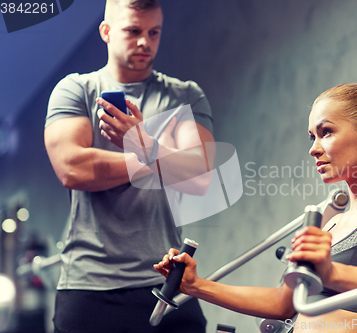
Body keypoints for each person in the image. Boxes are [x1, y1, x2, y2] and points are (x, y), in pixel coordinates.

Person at [154, 83, 357, 333]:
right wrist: (195, 286)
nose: (313, 148)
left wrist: (329, 273)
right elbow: (283, 304)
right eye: (311, 136)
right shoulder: (332, 225)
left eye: (326, 132)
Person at [44, 0, 213, 332]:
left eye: (154, 32)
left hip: (167, 278)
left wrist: (141, 142)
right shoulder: (76, 90)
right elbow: (73, 169)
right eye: (133, 31)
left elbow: (200, 178)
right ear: (106, 32)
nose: (144, 42)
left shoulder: (185, 96)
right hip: (89, 284)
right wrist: (162, 158)